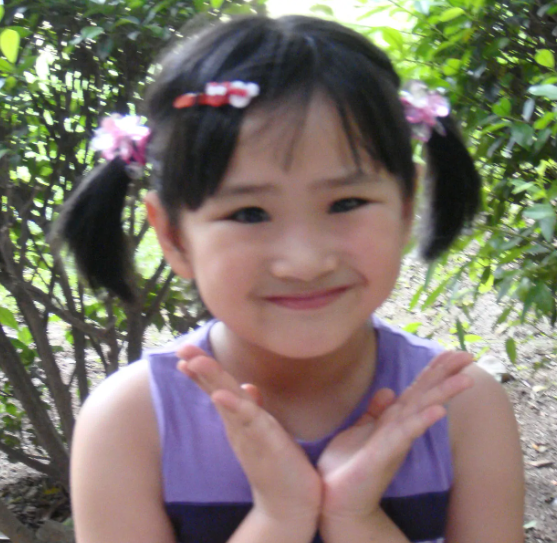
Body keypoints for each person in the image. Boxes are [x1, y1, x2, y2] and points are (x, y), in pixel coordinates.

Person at [58, 15, 524, 543]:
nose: (305, 261)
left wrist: (355, 518)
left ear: (405, 208)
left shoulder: (462, 408)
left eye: (346, 203)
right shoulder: (130, 426)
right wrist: (279, 518)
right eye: (249, 213)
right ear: (173, 236)